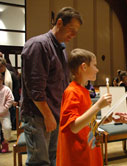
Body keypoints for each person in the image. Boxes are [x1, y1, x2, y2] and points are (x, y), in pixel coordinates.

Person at [21, 7, 82, 166]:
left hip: (55, 114)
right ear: (60, 23)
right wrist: (48, 115)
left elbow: (62, 83)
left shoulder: (61, 49)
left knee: (54, 159)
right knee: (39, 162)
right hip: (39, 115)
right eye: (71, 30)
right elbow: (35, 88)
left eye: (76, 31)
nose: (74, 35)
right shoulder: (38, 45)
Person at [56, 48, 112, 166]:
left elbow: (85, 122)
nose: (97, 70)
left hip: (87, 146)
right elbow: (74, 126)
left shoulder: (83, 91)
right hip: (78, 154)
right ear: (84, 67)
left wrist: (102, 121)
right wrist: (98, 105)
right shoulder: (72, 92)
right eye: (95, 65)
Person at [0, 74, 14, 153]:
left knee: (7, 128)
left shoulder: (6, 89)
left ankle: (5, 143)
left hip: (4, 113)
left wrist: (4, 108)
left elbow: (10, 99)